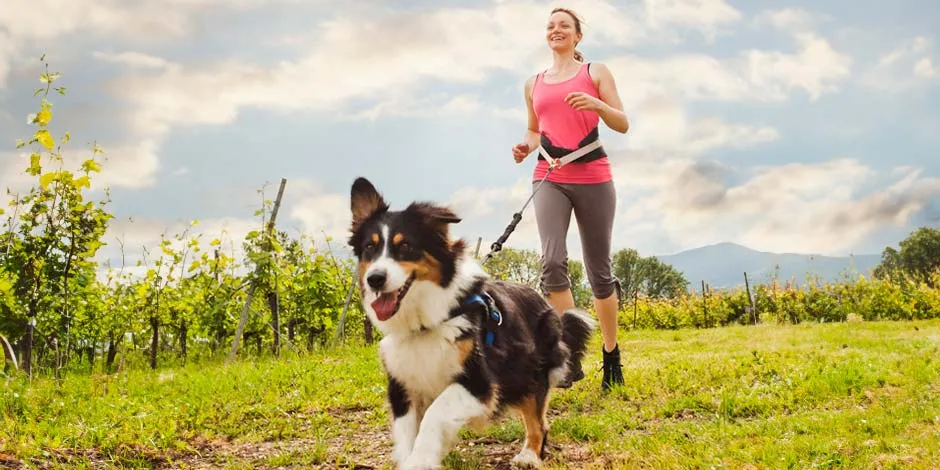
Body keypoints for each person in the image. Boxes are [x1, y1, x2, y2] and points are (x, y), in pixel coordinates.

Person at [511, 7, 629, 392]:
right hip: (549, 174)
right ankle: (570, 353)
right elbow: (534, 130)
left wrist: (597, 104)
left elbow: (622, 122)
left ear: (578, 36)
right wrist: (525, 147)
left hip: (592, 174)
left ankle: (611, 354)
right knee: (551, 263)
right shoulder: (533, 83)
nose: (556, 29)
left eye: (564, 25)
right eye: (550, 25)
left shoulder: (595, 72)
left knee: (599, 271)